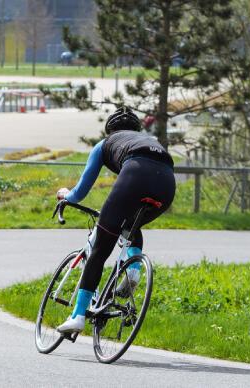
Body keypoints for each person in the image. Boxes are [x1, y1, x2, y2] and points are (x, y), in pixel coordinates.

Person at [56, 106, 176, 333]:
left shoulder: (105, 144)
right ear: (136, 129)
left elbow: (79, 193)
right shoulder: (150, 139)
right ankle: (133, 270)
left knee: (101, 248)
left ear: (110, 130)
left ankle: (78, 316)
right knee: (131, 224)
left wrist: (65, 195)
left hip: (136, 174)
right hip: (167, 183)